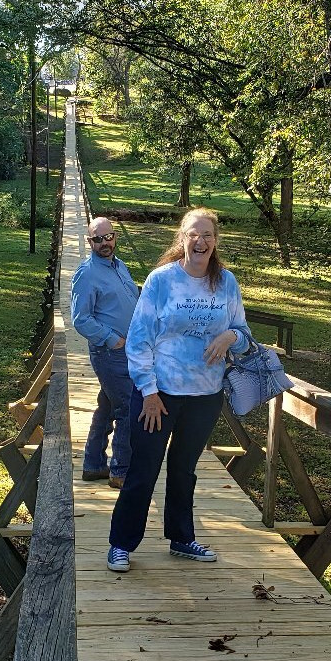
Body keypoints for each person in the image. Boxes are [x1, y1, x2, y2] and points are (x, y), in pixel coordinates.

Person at [107, 207, 251, 572]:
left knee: (185, 469)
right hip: (160, 394)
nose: (200, 241)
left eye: (207, 235)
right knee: (143, 469)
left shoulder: (226, 282)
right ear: (182, 238)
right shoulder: (161, 280)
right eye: (193, 234)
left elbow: (245, 337)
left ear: (215, 242)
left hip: (205, 395)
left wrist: (231, 335)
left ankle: (182, 538)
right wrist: (149, 392)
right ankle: (121, 544)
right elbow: (138, 341)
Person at [71, 217, 139, 489]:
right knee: (128, 408)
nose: (105, 243)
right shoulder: (87, 273)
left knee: (108, 405)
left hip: (129, 350)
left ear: (115, 237)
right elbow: (80, 318)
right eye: (98, 239)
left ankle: (93, 464)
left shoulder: (119, 266)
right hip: (110, 353)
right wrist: (113, 340)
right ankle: (121, 471)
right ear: (90, 242)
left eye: (108, 237)